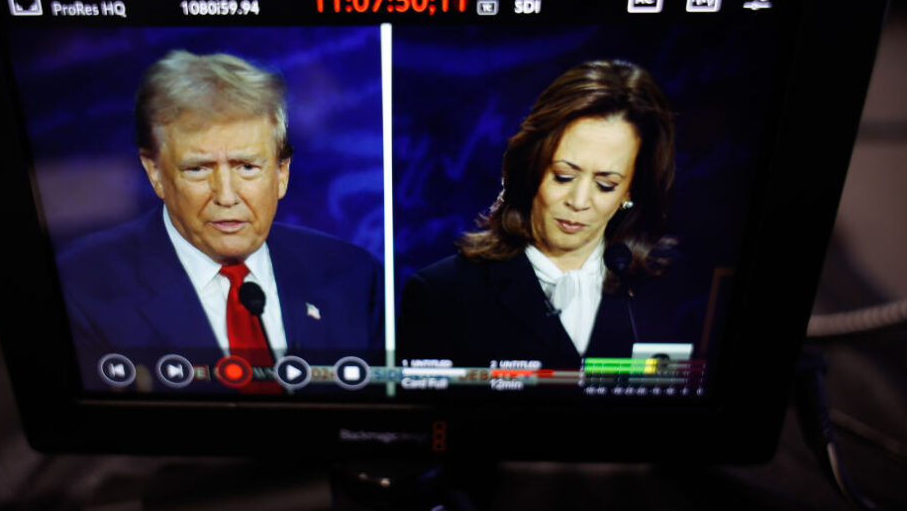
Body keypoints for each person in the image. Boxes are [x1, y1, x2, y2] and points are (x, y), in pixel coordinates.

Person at [58, 50, 384, 390]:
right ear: (155, 171)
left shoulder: (353, 277)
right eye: (198, 169)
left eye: (247, 166)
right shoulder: (83, 287)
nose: (226, 196)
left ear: (282, 173)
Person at [398, 59, 701, 368]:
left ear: (630, 190)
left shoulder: (672, 286)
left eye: (606, 184)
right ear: (532, 168)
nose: (579, 201)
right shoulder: (441, 294)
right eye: (563, 176)